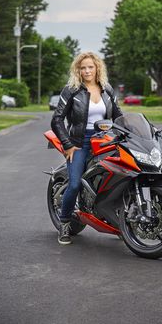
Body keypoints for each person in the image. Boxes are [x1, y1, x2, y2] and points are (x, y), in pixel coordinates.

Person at [51, 52, 123, 245]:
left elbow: (119, 117)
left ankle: (119, 221)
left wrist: (128, 133)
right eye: (83, 68)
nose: (87, 71)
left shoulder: (107, 89)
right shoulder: (71, 90)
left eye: (90, 67)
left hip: (105, 141)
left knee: (118, 179)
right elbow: (56, 120)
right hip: (79, 142)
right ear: (78, 70)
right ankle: (65, 223)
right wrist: (68, 145)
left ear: (97, 67)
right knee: (75, 184)